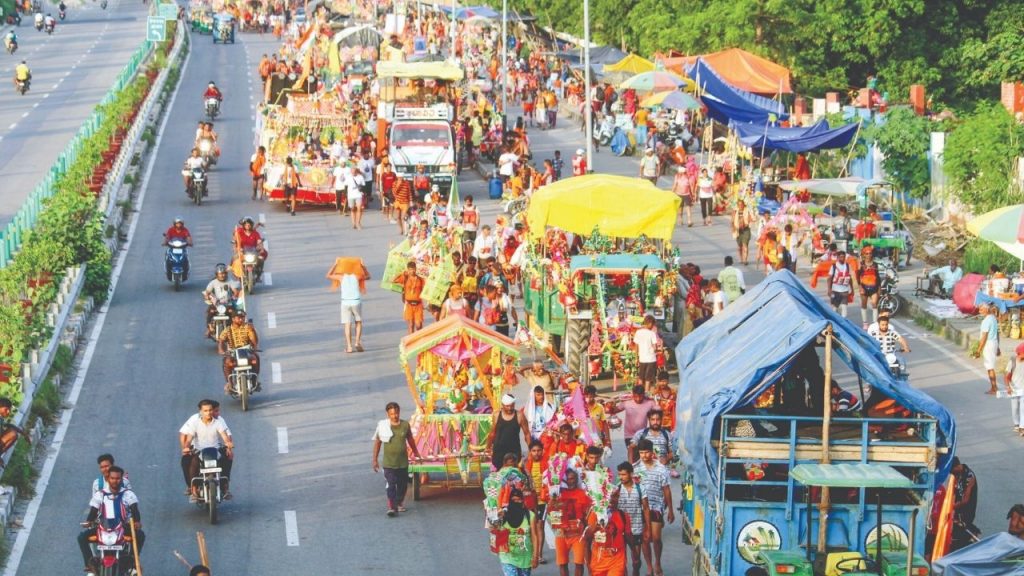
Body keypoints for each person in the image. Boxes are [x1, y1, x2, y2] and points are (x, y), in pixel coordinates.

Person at [78, 465, 144, 574]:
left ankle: (131, 562)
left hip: (123, 527)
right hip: (104, 527)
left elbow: (135, 510)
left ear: (121, 479)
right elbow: (93, 512)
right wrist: (89, 521)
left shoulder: (128, 494)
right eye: (112, 478)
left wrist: (137, 522)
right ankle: (90, 564)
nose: (115, 481)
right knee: (82, 538)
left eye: (118, 478)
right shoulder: (100, 494)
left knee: (140, 536)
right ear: (108, 479)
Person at [372, 402, 422, 517]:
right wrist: (374, 460)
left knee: (402, 485)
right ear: (388, 414)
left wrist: (416, 453)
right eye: (392, 414)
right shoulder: (383, 426)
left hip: (403, 463)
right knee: (390, 484)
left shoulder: (405, 425)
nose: (394, 416)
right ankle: (391, 507)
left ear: (399, 412)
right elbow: (378, 443)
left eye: (396, 413)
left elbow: (410, 440)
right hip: (389, 463)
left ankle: (399, 502)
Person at [179, 399, 234, 501]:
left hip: (215, 450)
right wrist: (186, 447)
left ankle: (226, 488)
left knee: (227, 458)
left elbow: (225, 436)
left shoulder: (218, 423)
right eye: (205, 410)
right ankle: (194, 490)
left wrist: (228, 444)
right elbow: (189, 439)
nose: (208, 413)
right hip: (200, 451)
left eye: (210, 410)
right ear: (200, 411)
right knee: (192, 462)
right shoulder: (195, 423)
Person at [633, 439, 673, 576]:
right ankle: (649, 567)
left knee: (656, 538)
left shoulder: (661, 468)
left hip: (656, 506)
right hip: (640, 508)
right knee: (645, 538)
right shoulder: (635, 468)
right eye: (641, 453)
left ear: (652, 452)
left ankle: (658, 562)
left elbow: (666, 489)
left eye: (646, 452)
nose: (644, 456)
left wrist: (671, 511)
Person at [549, 468, 592, 576]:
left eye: (573, 478)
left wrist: (587, 531)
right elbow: (551, 513)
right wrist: (553, 502)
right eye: (568, 479)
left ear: (576, 479)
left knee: (579, 563)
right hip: (561, 534)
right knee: (562, 564)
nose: (570, 481)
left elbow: (588, 514)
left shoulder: (583, 494)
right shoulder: (557, 494)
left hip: (578, 535)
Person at [583, 488, 631, 576]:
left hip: (617, 561)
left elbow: (628, 540)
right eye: (610, 496)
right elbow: (586, 541)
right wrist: (588, 566)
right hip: (598, 562)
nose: (612, 499)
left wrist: (632, 559)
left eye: (616, 496)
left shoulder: (624, 516)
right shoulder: (594, 515)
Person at [497, 488, 542, 574]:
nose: (516, 502)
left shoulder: (530, 515)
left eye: (519, 500)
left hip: (525, 557)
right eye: (514, 500)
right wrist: (497, 517)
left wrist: (536, 556)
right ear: (510, 500)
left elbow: (534, 536)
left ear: (522, 501)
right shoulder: (503, 514)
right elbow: (494, 529)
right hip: (508, 556)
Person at [615, 463, 649, 576]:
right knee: (621, 561)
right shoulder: (617, 489)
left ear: (630, 474)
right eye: (619, 474)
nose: (621, 477)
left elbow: (646, 508)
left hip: (636, 528)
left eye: (624, 474)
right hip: (621, 530)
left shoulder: (640, 488)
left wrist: (647, 528)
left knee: (636, 560)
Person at [218, 311, 260, 395]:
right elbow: (221, 341)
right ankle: (230, 384)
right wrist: (221, 350)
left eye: (243, 317)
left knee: (255, 359)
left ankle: (255, 381)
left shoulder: (248, 328)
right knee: (227, 362)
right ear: (233, 319)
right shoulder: (228, 329)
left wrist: (253, 331)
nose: (241, 319)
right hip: (233, 352)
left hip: (247, 351)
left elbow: (254, 341)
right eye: (239, 317)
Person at [607, 386, 656, 456]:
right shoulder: (627, 402)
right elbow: (613, 411)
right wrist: (611, 405)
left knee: (643, 456)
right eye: (635, 396)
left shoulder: (650, 403)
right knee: (633, 455)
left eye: (640, 396)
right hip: (629, 436)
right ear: (633, 395)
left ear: (643, 395)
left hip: (643, 435)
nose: (638, 399)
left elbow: (658, 414)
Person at [486, 394, 531, 471]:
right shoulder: (496, 415)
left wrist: (530, 449)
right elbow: (492, 433)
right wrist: (488, 447)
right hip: (499, 450)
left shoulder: (520, 415)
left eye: (512, 406)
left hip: (514, 450)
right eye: (507, 406)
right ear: (502, 405)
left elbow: (527, 434)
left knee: (514, 474)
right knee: (499, 474)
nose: (510, 408)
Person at [950, 457, 980, 551]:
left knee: (962, 528)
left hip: (966, 510)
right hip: (958, 508)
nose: (950, 472)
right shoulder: (957, 474)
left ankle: (973, 535)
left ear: (957, 466)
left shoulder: (969, 476)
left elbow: (965, 500)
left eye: (951, 469)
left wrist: (950, 508)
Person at [339, 261, 370, 353]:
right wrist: (363, 267)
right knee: (358, 322)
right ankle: (357, 342)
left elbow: (329, 275)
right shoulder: (357, 276)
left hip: (345, 302)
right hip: (356, 301)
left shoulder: (341, 277)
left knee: (347, 324)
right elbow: (368, 276)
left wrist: (335, 264)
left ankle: (349, 346)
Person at [203, 264, 240, 338]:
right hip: (217, 304)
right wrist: (207, 296)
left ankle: (235, 328)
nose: (222, 275)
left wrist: (234, 296)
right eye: (220, 274)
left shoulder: (230, 281)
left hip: (227, 303)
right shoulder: (213, 282)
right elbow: (207, 291)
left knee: (234, 313)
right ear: (217, 274)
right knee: (210, 312)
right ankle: (209, 327)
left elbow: (235, 291)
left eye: (224, 273)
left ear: (226, 274)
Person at [973, 303, 1000, 395]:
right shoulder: (993, 318)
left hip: (989, 344)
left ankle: (994, 387)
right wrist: (998, 347)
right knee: (990, 366)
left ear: (986, 310)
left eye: (981, 310)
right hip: (994, 342)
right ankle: (994, 387)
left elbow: (984, 337)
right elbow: (997, 333)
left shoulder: (986, 321)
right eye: (979, 310)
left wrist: (978, 350)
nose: (980, 312)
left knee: (990, 367)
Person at [393, 261, 425, 334]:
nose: (412, 271)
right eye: (410, 269)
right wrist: (401, 273)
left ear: (416, 269)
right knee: (411, 325)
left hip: (418, 305)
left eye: (413, 269)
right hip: (409, 305)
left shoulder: (420, 279)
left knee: (418, 325)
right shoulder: (405, 278)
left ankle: (419, 340)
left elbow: (426, 289)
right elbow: (393, 280)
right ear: (407, 270)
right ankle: (412, 344)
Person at [826, 250, 857, 318]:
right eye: (840, 257)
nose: (842, 258)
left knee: (844, 308)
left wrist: (852, 289)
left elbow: (850, 278)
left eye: (843, 257)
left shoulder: (848, 266)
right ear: (837, 257)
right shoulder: (834, 266)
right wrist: (829, 289)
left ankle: (843, 322)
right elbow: (829, 278)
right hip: (835, 290)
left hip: (844, 290)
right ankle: (836, 321)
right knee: (834, 308)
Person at [632, 316, 660, 390]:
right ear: (650, 323)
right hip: (651, 359)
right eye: (653, 325)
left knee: (641, 377)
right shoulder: (652, 333)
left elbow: (636, 346)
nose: (653, 326)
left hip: (642, 359)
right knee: (648, 379)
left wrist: (636, 358)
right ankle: (646, 392)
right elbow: (655, 347)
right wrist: (656, 350)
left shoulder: (638, 332)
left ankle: (640, 391)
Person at [857, 247, 881, 329]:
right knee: (864, 304)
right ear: (864, 255)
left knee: (874, 304)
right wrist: (860, 287)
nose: (868, 255)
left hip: (874, 287)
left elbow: (878, 277)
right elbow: (857, 277)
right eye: (866, 253)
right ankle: (865, 322)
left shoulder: (875, 264)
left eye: (870, 253)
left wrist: (879, 288)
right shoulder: (861, 264)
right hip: (864, 287)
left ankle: (874, 323)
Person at [1005, 343, 1024, 434]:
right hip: (1014, 389)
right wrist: (1008, 386)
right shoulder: (1012, 361)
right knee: (1015, 408)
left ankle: (1022, 427)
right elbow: (1007, 376)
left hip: (1023, 389)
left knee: (1023, 408)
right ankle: (1016, 424)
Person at [732, 200, 753, 264]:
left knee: (745, 245)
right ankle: (741, 259)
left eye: (741, 204)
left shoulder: (748, 211)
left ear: (744, 205)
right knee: (740, 246)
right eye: (739, 204)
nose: (740, 206)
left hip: (746, 230)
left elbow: (752, 219)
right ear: (737, 205)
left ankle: (745, 260)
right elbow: (732, 221)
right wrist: (733, 228)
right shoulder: (735, 212)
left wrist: (748, 222)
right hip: (738, 230)